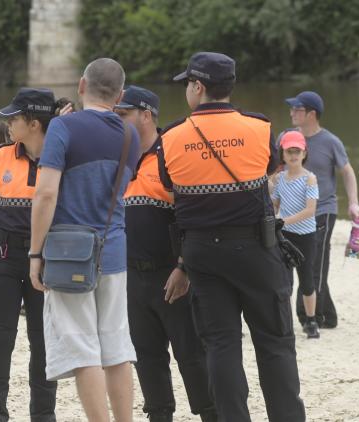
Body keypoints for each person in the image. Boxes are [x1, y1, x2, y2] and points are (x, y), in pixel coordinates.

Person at [160, 52, 305, 421]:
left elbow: (168, 184)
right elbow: (269, 168)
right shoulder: (259, 128)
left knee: (221, 346)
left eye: (187, 85)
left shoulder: (172, 137)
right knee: (275, 344)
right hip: (257, 248)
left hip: (202, 253)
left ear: (198, 86)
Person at [29, 59, 141, 422]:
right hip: (114, 250)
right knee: (116, 346)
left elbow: (46, 194)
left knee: (82, 349)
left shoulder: (62, 127)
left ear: (81, 85)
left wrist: (35, 253)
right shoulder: (130, 134)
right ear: (121, 96)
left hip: (68, 253)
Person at [115, 85, 216, 422]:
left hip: (172, 274)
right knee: (146, 356)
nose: (118, 119)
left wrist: (184, 267)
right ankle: (159, 415)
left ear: (146, 115)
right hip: (131, 275)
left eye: (124, 113)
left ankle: (210, 413)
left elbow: (195, 216)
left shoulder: (171, 152)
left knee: (192, 356)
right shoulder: (120, 157)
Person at [0, 88, 60, 421]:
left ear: (35, 123)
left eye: (14, 118)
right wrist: (6, 239)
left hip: (50, 256)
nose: (8, 123)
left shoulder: (62, 157)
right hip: (3, 253)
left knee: (43, 342)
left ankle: (43, 415)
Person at [284, 90, 359, 328]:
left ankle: (309, 317)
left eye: (297, 109)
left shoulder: (330, 141)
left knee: (315, 262)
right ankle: (327, 316)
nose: (292, 112)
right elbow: (276, 169)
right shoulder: (286, 138)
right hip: (292, 214)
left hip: (323, 210)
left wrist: (353, 202)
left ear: (311, 114)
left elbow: (347, 172)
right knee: (303, 261)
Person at [271, 131, 321, 339]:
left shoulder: (310, 179)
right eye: (288, 151)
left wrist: (283, 221)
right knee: (285, 282)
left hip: (306, 235)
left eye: (296, 151)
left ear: (304, 153)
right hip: (285, 236)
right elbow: (275, 205)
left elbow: (310, 210)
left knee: (307, 280)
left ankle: (311, 320)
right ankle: (286, 321)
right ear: (282, 154)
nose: (293, 155)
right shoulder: (279, 178)